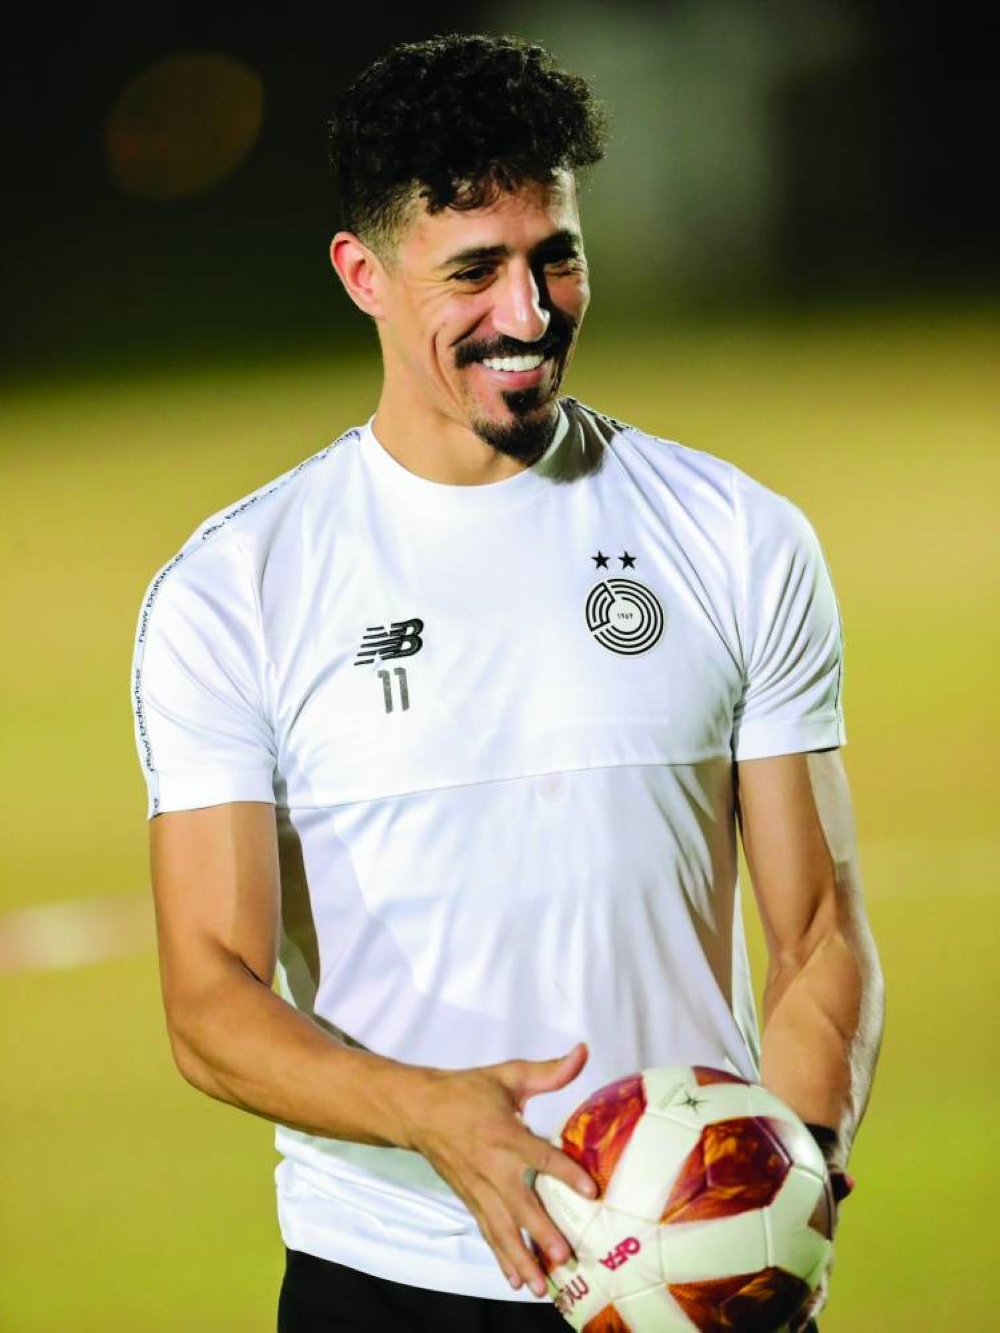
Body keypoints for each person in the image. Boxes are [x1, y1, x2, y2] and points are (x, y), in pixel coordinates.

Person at [130, 32, 884, 1333]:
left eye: (557, 258)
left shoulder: (739, 536)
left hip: (692, 1283)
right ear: (363, 275)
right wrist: (433, 1113)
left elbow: (815, 933)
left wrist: (779, 1180)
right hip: (391, 1276)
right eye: (475, 271)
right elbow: (209, 998)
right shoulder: (235, 587)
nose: (529, 316)